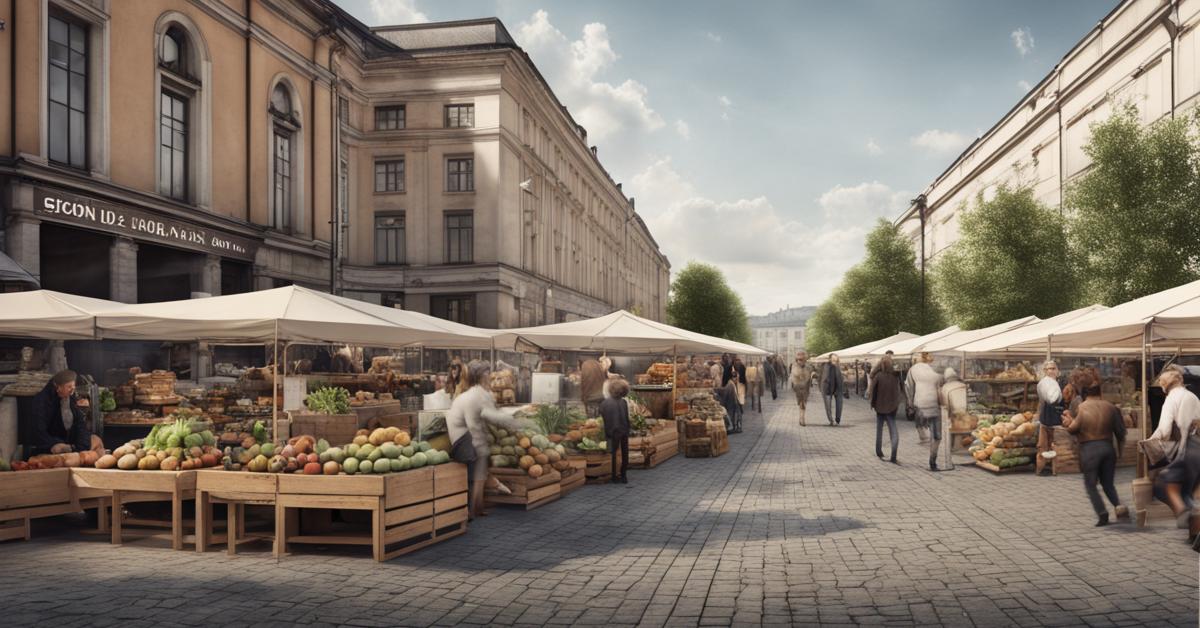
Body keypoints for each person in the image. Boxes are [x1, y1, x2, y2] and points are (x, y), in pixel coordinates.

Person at [446, 360, 528, 519]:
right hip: (461, 441)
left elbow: (491, 415)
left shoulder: (481, 393)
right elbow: (473, 425)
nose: (490, 376)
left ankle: (477, 507)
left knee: (481, 468)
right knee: (478, 463)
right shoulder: (473, 396)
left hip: (469, 438)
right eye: (486, 373)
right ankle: (469, 510)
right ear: (479, 376)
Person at [1062, 377, 1128, 526]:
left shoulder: (1083, 407)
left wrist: (1068, 422)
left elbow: (1074, 429)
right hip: (1107, 448)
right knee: (1108, 483)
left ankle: (1102, 513)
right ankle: (1119, 506)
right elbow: (1121, 432)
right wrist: (1121, 452)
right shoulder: (1111, 407)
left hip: (1089, 449)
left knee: (1091, 484)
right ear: (1100, 393)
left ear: (1085, 394)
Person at [1148, 365, 1200, 529]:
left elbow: (1164, 430)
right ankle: (1191, 519)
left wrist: (1149, 441)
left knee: (1161, 484)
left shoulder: (1171, 399)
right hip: (1198, 445)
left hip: (1187, 448)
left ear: (1165, 385)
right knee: (1187, 489)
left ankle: (1188, 516)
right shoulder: (1193, 396)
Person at [29, 369, 93, 457]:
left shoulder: (70, 397)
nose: (72, 390)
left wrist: (82, 446)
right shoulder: (41, 401)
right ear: (58, 387)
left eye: (73, 386)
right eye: (69, 387)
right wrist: (55, 444)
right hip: (48, 449)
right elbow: (38, 431)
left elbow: (80, 423)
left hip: (69, 448)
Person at [905, 352, 944, 469]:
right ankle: (932, 461)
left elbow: (908, 387)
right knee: (936, 436)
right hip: (935, 406)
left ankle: (923, 436)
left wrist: (910, 403)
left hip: (920, 405)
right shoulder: (938, 369)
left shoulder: (913, 369)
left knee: (922, 428)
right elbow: (942, 387)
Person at [1034, 360, 1064, 476]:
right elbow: (1042, 402)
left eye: (1053, 368)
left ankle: (1054, 470)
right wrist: (1038, 415)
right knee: (1042, 446)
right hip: (1046, 418)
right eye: (1048, 369)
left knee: (1054, 445)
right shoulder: (1043, 383)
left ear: (1057, 371)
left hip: (1056, 419)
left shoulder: (1058, 384)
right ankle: (1040, 469)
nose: (1051, 371)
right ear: (1045, 371)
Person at [871, 356, 902, 463]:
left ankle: (879, 451)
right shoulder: (895, 377)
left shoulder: (878, 376)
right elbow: (899, 392)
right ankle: (894, 454)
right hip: (892, 408)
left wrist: (873, 405)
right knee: (894, 431)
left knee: (879, 430)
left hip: (879, 407)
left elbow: (873, 392)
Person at [601, 378, 632, 484]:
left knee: (612, 454)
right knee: (625, 453)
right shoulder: (623, 402)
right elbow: (626, 417)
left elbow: (602, 417)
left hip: (611, 431)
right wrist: (628, 429)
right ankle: (624, 475)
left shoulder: (605, 403)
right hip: (623, 430)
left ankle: (613, 475)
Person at [939, 368, 968, 469]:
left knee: (951, 424)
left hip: (953, 413)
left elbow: (944, 404)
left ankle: (955, 447)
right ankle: (959, 445)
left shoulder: (945, 387)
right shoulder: (963, 385)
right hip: (966, 412)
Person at [790, 351, 816, 426]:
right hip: (798, 387)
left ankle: (802, 418)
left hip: (805, 388)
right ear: (797, 359)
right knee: (801, 403)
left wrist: (813, 374)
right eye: (799, 360)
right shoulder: (794, 366)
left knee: (803, 403)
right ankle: (801, 418)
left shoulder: (808, 366)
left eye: (802, 360)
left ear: (805, 359)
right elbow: (794, 375)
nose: (800, 361)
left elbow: (812, 372)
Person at [819, 353, 846, 426]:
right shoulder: (825, 366)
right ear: (830, 359)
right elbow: (820, 377)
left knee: (839, 405)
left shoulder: (838, 366)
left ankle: (838, 420)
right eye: (833, 359)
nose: (835, 360)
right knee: (828, 406)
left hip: (838, 388)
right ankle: (831, 420)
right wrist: (820, 387)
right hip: (827, 388)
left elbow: (842, 378)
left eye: (836, 359)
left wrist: (844, 389)